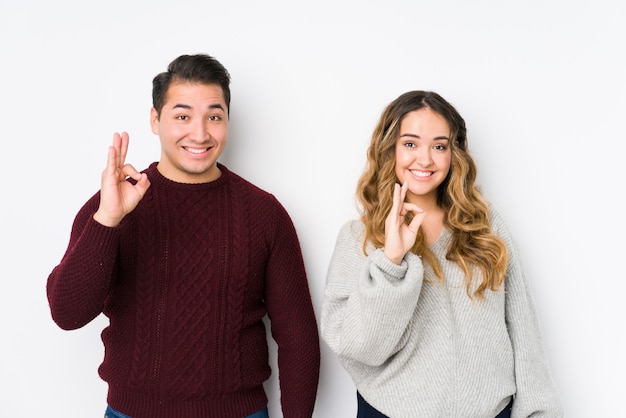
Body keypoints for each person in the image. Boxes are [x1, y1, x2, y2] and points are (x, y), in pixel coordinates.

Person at [47, 54, 320, 418]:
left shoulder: (264, 213)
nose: (200, 133)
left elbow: (297, 336)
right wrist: (107, 220)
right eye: (182, 116)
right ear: (155, 120)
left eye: (214, 116)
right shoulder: (112, 205)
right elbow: (67, 314)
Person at [320, 91, 563, 418]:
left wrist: (540, 412)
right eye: (410, 144)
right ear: (389, 148)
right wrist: (391, 259)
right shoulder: (358, 238)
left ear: (454, 153)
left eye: (439, 146)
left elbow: (523, 330)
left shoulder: (484, 226)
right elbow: (360, 347)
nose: (425, 159)